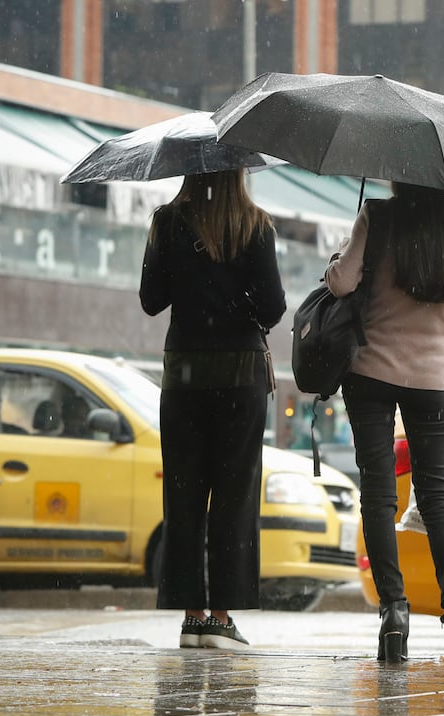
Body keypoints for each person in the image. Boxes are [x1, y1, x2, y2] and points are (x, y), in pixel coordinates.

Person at [326, 182, 444, 663]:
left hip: (370, 372)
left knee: (378, 492)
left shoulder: (378, 216)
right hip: (432, 379)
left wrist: (339, 256)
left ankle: (393, 609)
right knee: (435, 494)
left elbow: (341, 283)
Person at [139, 168, 286, 650]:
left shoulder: (167, 222)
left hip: (184, 375)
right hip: (240, 375)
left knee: (183, 495)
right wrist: (236, 293)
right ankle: (222, 618)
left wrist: (187, 277)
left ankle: (191, 617)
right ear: (238, 172)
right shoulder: (255, 225)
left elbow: (151, 301)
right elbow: (273, 308)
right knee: (234, 495)